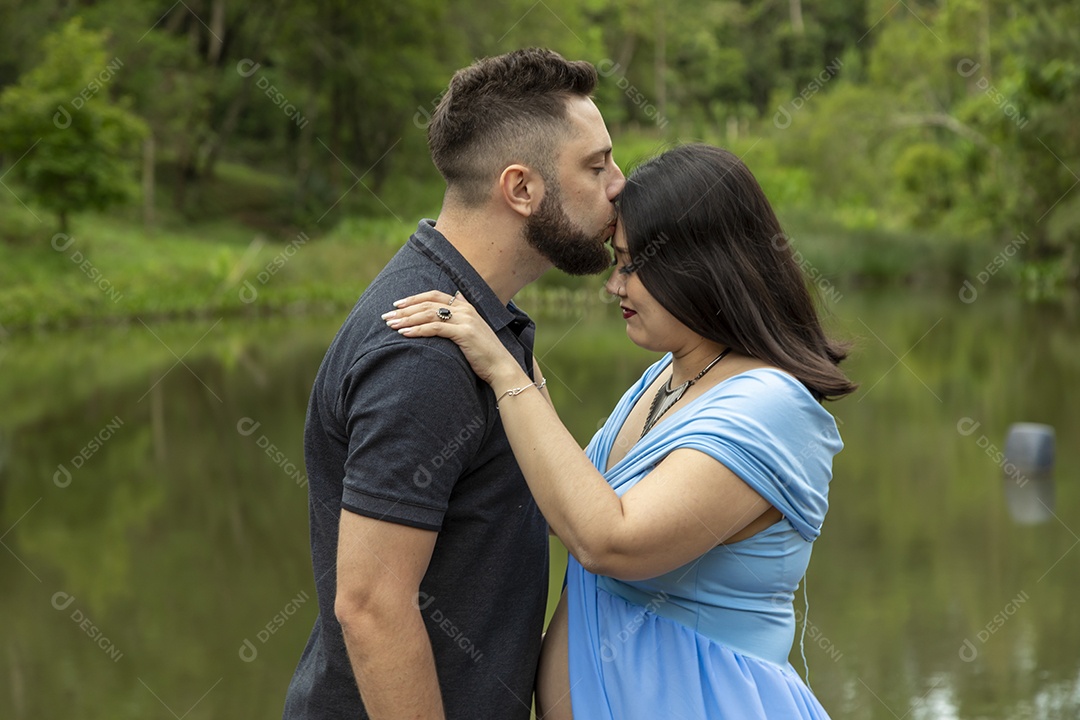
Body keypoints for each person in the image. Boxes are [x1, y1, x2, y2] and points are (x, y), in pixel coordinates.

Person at [386, 143, 857, 719]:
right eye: (618, 261)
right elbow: (572, 497)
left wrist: (504, 368)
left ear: (701, 265)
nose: (616, 286)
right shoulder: (670, 375)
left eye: (632, 264)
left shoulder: (770, 407)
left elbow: (610, 539)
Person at [282, 48, 625, 719]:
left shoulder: (477, 318)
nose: (620, 182)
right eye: (596, 165)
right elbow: (371, 606)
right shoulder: (424, 356)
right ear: (520, 189)